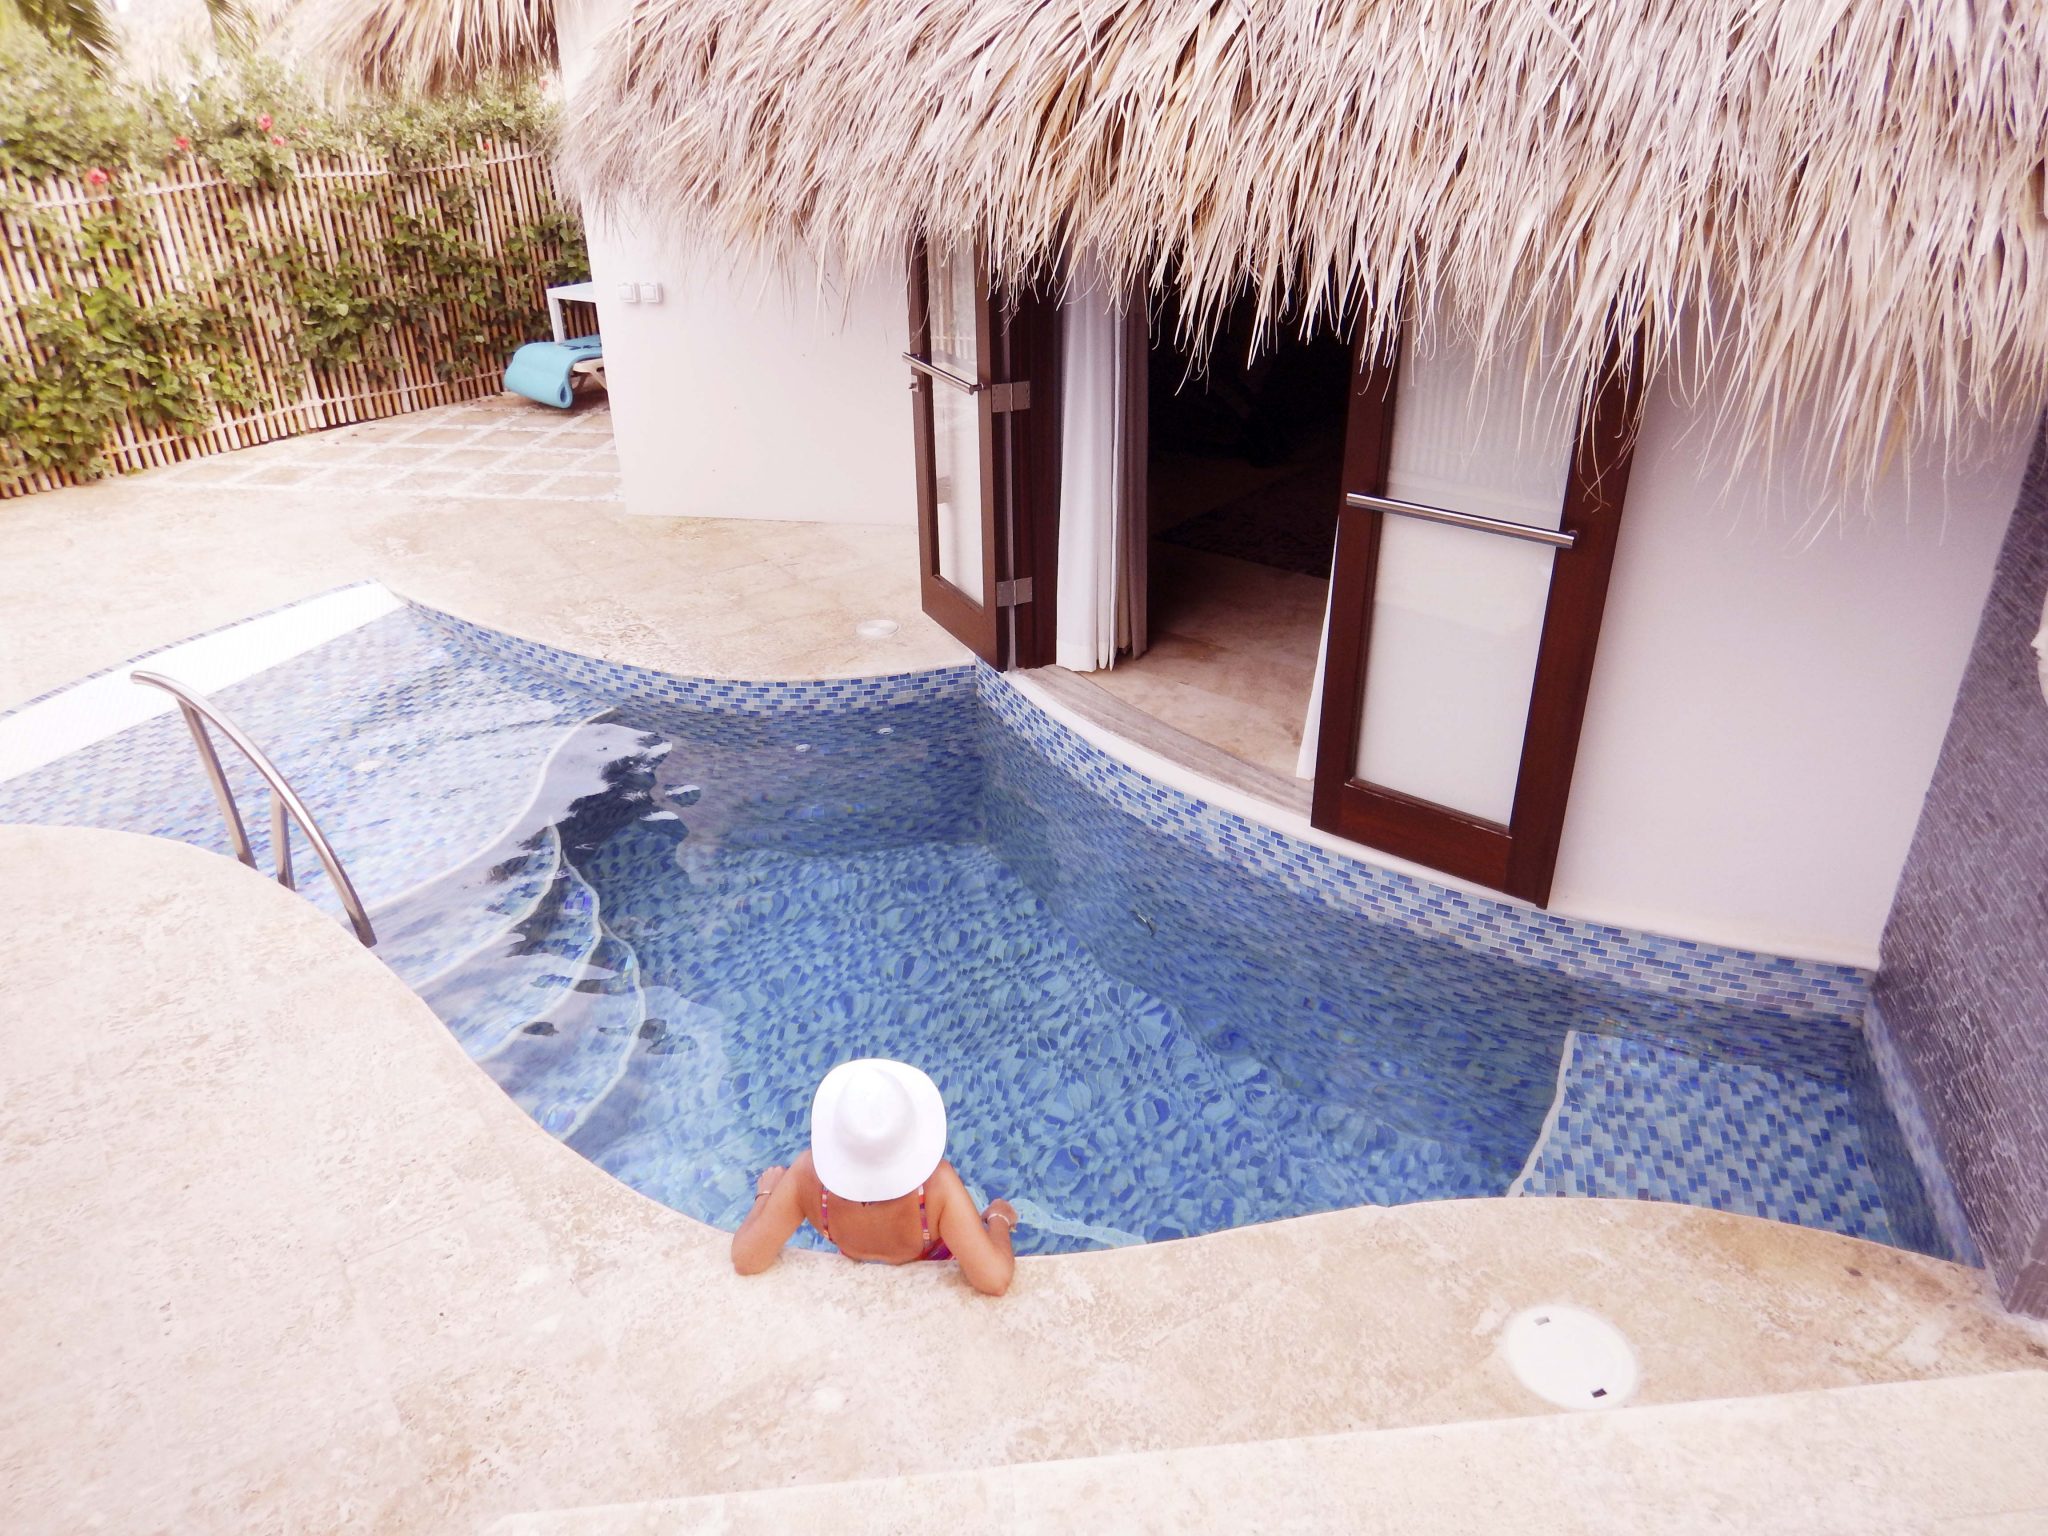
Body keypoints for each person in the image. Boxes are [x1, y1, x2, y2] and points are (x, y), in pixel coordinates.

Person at [731, 1058, 1019, 1296]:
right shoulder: (936, 1186)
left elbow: (747, 1258)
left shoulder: (807, 1176)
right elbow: (994, 1279)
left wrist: (765, 1195)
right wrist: (999, 1219)